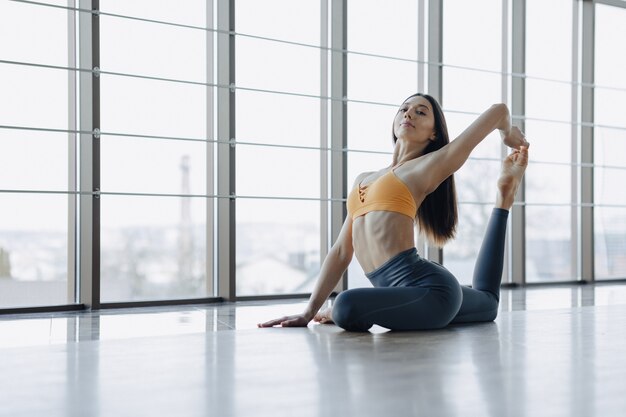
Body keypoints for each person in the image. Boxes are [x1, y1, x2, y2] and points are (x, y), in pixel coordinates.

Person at [258, 93, 529, 331]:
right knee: (487, 303)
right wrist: (308, 312)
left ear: (433, 133)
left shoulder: (427, 167)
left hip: (430, 289)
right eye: (404, 109)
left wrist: (507, 133)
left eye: (421, 111)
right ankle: (505, 194)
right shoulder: (363, 178)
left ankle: (504, 197)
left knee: (345, 305)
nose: (409, 112)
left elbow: (499, 111)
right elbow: (341, 251)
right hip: (408, 292)